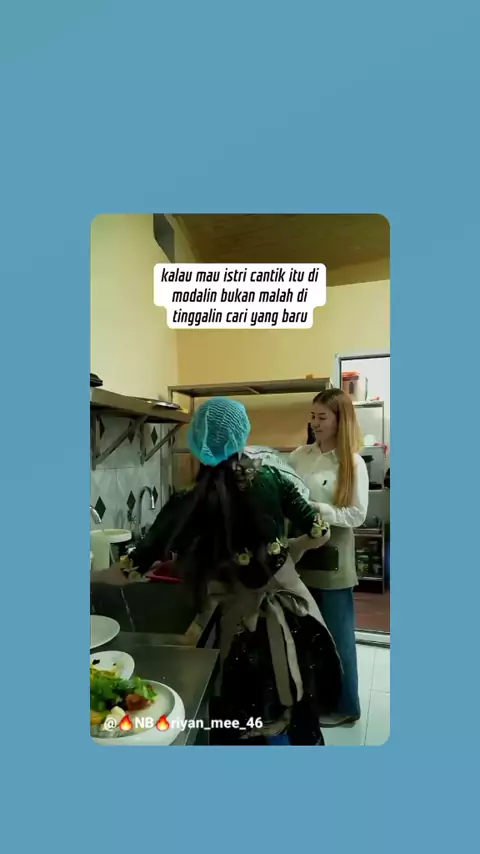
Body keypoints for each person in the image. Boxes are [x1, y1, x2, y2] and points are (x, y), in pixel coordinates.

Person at [92, 397, 342, 745]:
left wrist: (88, 576)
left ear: (197, 443)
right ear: (242, 436)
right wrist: (290, 553)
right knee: (295, 703)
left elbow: (127, 572)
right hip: (292, 618)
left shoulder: (186, 502)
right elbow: (320, 532)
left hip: (233, 630)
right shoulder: (273, 478)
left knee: (237, 724)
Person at [289, 388, 369, 727]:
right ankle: (315, 700)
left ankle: (347, 706)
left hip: (335, 558)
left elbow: (357, 515)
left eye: (323, 417)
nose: (315, 423)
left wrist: (317, 509)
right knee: (307, 635)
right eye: (313, 416)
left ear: (341, 420)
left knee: (338, 637)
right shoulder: (299, 456)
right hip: (301, 553)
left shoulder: (352, 462)